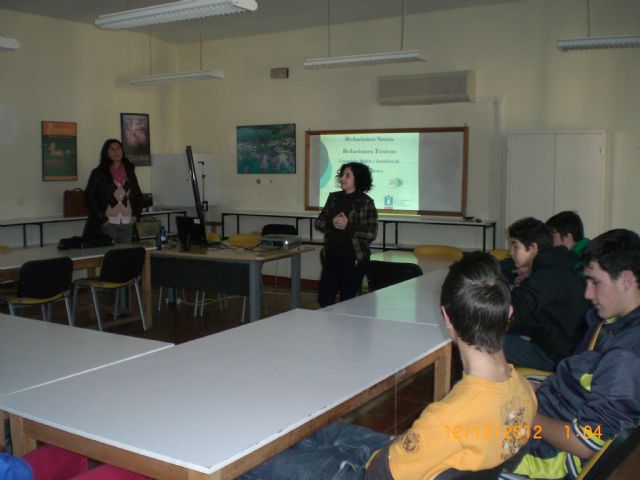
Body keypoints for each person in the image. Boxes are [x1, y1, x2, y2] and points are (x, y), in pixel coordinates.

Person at [240, 252, 537, 480]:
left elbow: (379, 474)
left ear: (447, 318)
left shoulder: (447, 417)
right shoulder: (526, 393)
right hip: (431, 457)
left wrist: (403, 447)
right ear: (508, 312)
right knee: (321, 432)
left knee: (253, 463)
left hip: (375, 473)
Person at [506, 229, 640, 480]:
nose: (588, 294)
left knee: (445, 441)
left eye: (595, 282)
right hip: (546, 420)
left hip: (542, 456)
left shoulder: (627, 355)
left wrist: (524, 415)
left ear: (626, 280)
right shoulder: (619, 325)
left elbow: (586, 444)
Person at [504, 217, 590, 371]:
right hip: (567, 346)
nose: (510, 253)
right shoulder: (562, 263)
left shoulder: (549, 275)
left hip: (556, 355)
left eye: (515, 246)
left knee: (480, 343)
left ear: (533, 248)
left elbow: (514, 305)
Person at [315, 162, 378, 307]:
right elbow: (319, 222)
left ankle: (347, 329)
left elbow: (371, 233)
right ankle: (329, 328)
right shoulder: (334, 198)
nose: (342, 178)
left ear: (358, 179)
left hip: (353, 259)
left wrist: (348, 226)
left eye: (347, 175)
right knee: (324, 299)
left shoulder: (366, 202)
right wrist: (332, 223)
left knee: (347, 300)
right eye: (342, 175)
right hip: (331, 256)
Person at [83, 139, 143, 244]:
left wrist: (135, 216)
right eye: (112, 149)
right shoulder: (99, 173)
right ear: (106, 152)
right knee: (109, 256)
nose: (116, 152)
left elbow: (138, 195)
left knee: (126, 257)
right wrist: (102, 219)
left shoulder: (130, 171)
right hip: (108, 224)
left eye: (118, 148)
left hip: (127, 223)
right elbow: (89, 198)